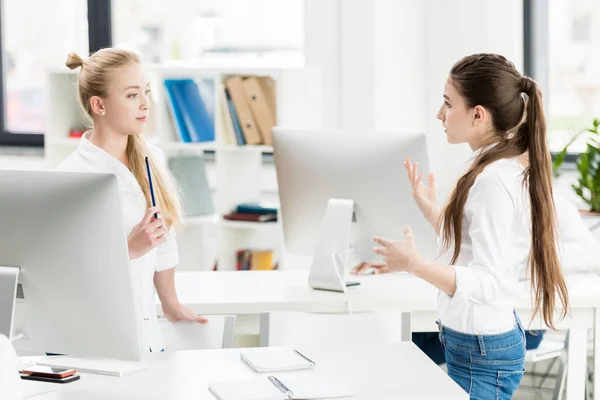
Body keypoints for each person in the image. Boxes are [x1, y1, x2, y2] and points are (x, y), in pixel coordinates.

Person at [358, 53, 571, 399]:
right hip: (475, 347)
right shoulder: (489, 167)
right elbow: (474, 250)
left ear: (478, 114)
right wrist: (433, 214)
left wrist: (416, 264)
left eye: (447, 104)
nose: (439, 114)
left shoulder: (493, 180)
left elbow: (489, 281)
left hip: (482, 353)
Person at [58, 48, 207, 353]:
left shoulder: (153, 159)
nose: (145, 104)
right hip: (99, 342)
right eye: (131, 95)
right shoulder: (71, 176)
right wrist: (128, 249)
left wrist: (171, 303)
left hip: (149, 341)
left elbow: (164, 242)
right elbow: (65, 274)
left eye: (146, 92)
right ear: (98, 105)